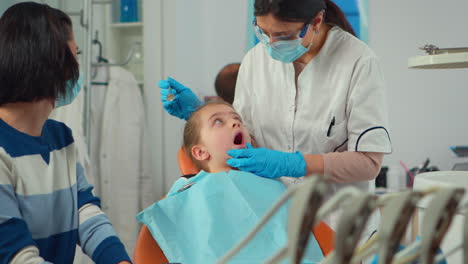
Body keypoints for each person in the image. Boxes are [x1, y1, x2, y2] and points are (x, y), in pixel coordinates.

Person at [158, 0, 391, 240]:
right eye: (262, 32)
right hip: (275, 228)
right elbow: (242, 141)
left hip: (339, 228)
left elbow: (368, 163)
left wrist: (294, 164)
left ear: (316, 21)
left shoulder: (359, 61)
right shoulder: (254, 60)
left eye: (282, 35)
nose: (270, 44)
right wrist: (199, 114)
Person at [0, 3, 131, 264]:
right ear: (51, 61)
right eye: (76, 55)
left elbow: (84, 211)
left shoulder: (61, 138)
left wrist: (119, 260)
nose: (78, 68)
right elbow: (18, 257)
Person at [137, 102, 324, 263]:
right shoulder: (191, 191)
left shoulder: (270, 180)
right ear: (200, 152)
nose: (235, 123)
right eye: (218, 122)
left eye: (238, 119)